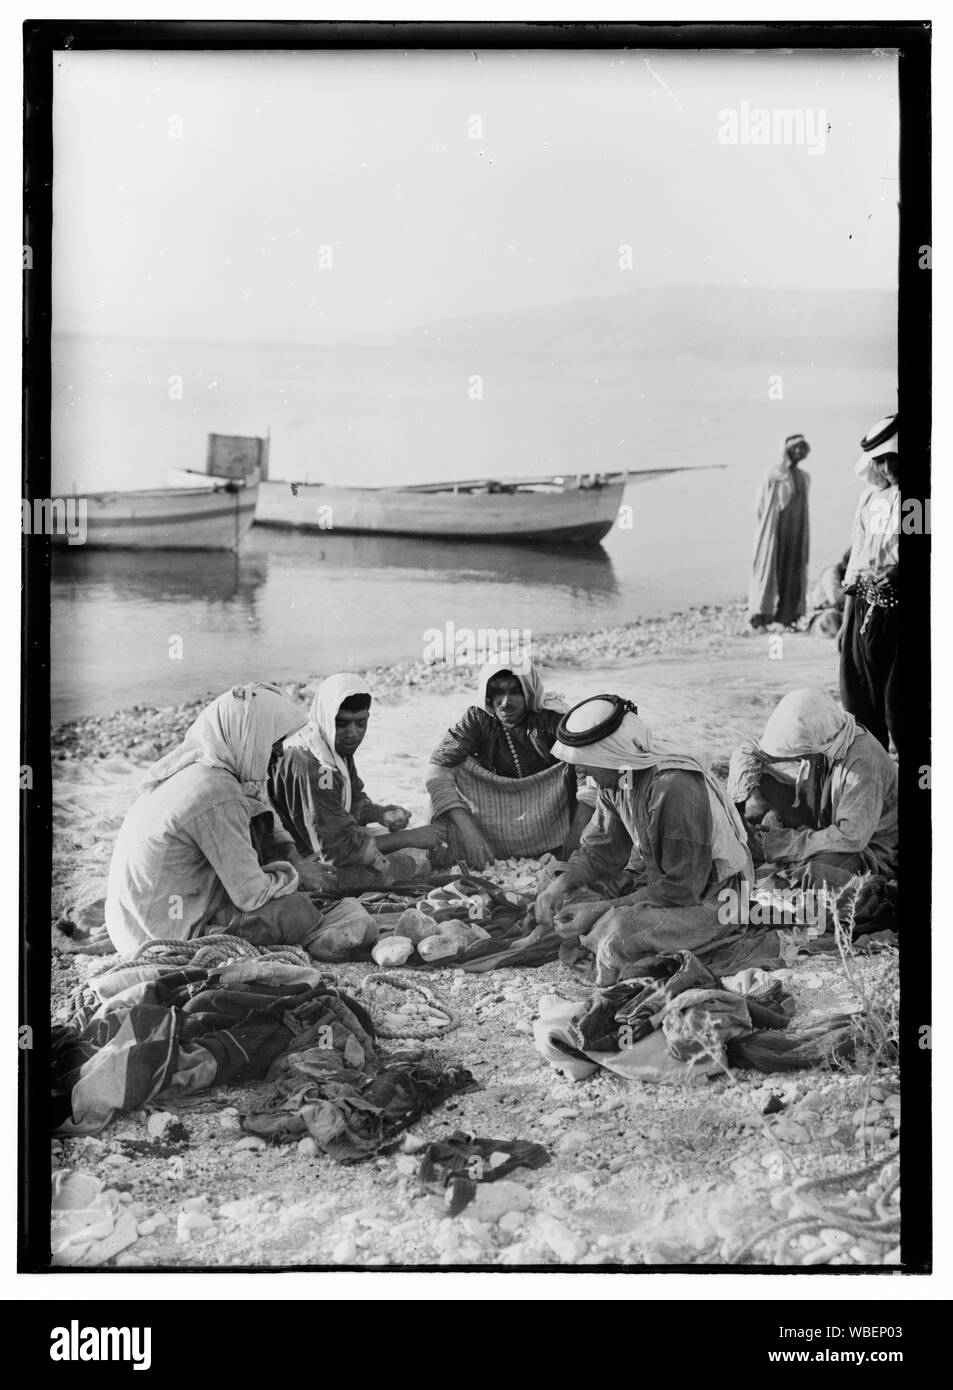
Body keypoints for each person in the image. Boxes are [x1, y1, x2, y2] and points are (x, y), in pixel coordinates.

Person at [533, 695, 753, 984]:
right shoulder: (617, 778)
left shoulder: (674, 787)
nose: (581, 771)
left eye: (587, 761)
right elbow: (599, 852)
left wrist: (601, 908)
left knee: (616, 935)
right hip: (658, 883)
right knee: (553, 879)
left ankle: (600, 928)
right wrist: (557, 888)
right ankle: (593, 923)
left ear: (610, 754)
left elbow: (682, 888)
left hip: (715, 899)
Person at [105, 682, 333, 956]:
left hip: (129, 923)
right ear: (250, 737)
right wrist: (293, 875)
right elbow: (252, 895)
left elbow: (259, 805)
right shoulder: (219, 791)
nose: (280, 753)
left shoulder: (200, 769)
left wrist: (290, 858)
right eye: (273, 742)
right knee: (297, 912)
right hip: (160, 936)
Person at [268, 672, 446, 887]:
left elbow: (351, 799)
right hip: (299, 860)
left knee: (414, 854)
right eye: (342, 723)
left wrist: (380, 813)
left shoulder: (328, 745)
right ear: (326, 716)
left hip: (324, 840)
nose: (353, 733)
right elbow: (336, 851)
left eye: (360, 723)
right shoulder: (315, 766)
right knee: (407, 861)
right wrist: (410, 837)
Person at [426, 658, 597, 870]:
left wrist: (577, 832)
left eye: (515, 691)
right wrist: (469, 832)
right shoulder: (478, 718)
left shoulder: (552, 718)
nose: (505, 701)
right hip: (499, 815)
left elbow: (590, 771)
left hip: (551, 817)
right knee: (450, 770)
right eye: (497, 692)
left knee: (584, 764)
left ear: (529, 690)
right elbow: (436, 769)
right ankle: (473, 850)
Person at [727, 687, 897, 893]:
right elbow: (747, 750)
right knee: (756, 782)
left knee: (814, 878)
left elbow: (851, 838)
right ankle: (753, 845)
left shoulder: (864, 762)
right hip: (823, 821)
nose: (797, 760)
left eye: (802, 755)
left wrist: (782, 844)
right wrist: (751, 794)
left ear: (818, 747)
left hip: (865, 847)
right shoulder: (828, 734)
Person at [838, 414, 899, 756]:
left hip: (898, 614)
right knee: (860, 701)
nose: (889, 466)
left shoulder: (916, 500)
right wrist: (846, 625)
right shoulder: (868, 500)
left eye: (895, 457)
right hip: (863, 607)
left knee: (898, 707)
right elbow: (858, 560)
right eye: (882, 459)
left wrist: (898, 573)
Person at [748, 433, 811, 630]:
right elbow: (761, 505)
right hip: (774, 531)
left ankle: (787, 616)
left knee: (792, 570)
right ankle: (762, 616)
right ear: (787, 450)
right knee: (769, 569)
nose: (798, 452)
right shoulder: (775, 473)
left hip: (796, 532)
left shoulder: (804, 477)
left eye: (802, 448)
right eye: (795, 448)